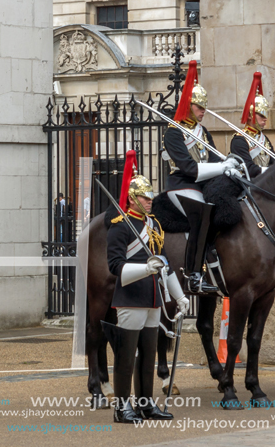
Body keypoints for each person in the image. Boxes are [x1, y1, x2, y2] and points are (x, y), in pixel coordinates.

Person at [106, 150, 189, 423]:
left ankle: (145, 404)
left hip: (153, 298)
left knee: (148, 358)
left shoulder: (153, 225)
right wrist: (145, 268)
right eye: (144, 196)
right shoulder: (121, 226)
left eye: (151, 196)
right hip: (130, 298)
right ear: (132, 198)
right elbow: (116, 267)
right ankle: (122, 407)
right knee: (127, 357)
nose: (150, 201)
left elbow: (164, 265)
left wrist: (179, 296)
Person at [162, 60, 241, 294]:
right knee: (201, 214)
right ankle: (193, 274)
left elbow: (215, 161)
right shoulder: (174, 132)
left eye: (204, 108)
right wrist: (222, 167)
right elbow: (190, 169)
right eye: (199, 107)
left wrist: (229, 166)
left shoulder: (202, 131)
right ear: (188, 105)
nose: (203, 112)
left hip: (203, 185)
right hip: (182, 185)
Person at [231, 71, 275, 178]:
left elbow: (274, 161)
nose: (265, 119)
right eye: (261, 115)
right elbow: (248, 169)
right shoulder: (239, 140)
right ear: (251, 115)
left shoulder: (264, 139)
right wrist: (272, 171)